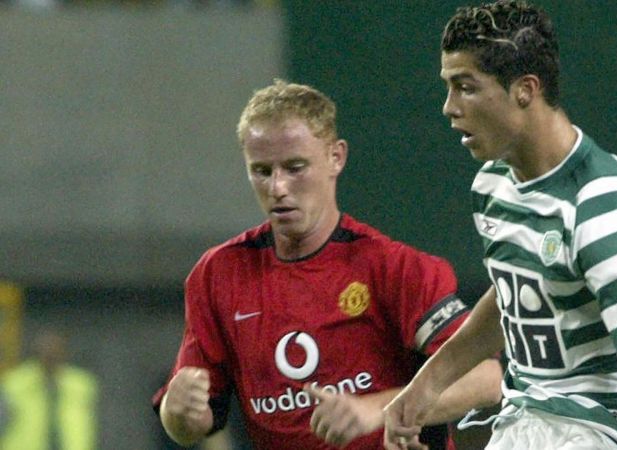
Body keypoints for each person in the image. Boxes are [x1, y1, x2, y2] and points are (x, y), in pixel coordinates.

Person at [383, 2, 617, 449]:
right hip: (525, 420)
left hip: (600, 431)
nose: (449, 108)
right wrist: (424, 388)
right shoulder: (494, 184)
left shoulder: (614, 214)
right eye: (448, 87)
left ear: (525, 89)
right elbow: (517, 295)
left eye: (465, 87)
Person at [152, 80, 502, 450]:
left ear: (336, 157)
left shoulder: (394, 269)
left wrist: (375, 410)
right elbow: (192, 421)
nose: (278, 188)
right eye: (262, 171)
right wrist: (178, 413)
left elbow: (485, 378)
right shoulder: (219, 275)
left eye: (295, 167)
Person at [0, 329, 98, 450]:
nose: (51, 355)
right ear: (36, 353)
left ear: (64, 353)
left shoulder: (81, 385)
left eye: (56, 351)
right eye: (46, 351)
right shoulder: (14, 384)